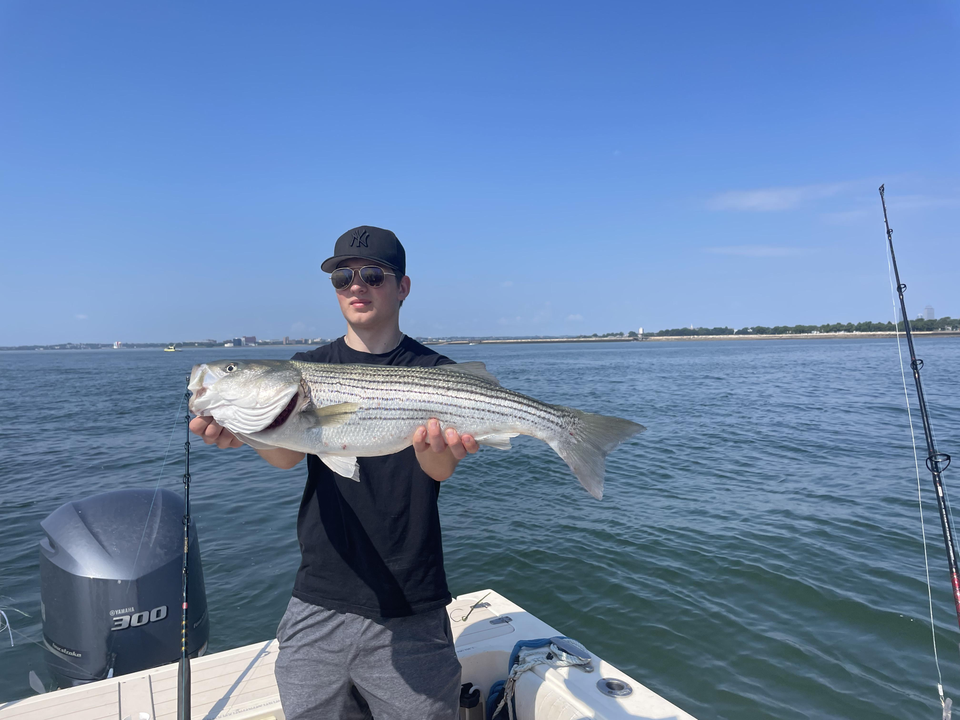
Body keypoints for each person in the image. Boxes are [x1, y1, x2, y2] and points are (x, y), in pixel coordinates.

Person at [189, 225, 480, 719]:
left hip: (411, 601)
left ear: (403, 286)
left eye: (372, 275)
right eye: (342, 277)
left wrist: (443, 449)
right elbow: (289, 455)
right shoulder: (307, 367)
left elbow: (437, 469)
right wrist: (250, 433)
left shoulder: (436, 370)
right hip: (319, 595)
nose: (355, 286)